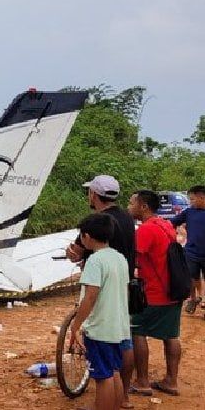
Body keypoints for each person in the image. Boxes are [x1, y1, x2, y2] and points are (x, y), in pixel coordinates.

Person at [65, 175, 136, 408]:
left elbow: (91, 296)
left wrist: (76, 325)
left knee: (103, 377)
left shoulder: (95, 259)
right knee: (113, 371)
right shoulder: (121, 249)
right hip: (118, 322)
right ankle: (120, 401)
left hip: (101, 327)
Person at [126, 190, 182, 397]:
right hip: (174, 290)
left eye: (132, 203)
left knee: (138, 332)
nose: (128, 207)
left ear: (143, 207)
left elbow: (133, 260)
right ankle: (171, 380)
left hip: (154, 292)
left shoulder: (146, 230)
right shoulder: (166, 225)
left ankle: (142, 381)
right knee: (171, 335)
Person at [170, 185, 205, 316]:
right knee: (191, 277)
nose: (191, 202)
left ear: (202, 198)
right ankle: (193, 298)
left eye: (193, 199)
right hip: (191, 252)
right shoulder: (189, 212)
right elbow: (172, 222)